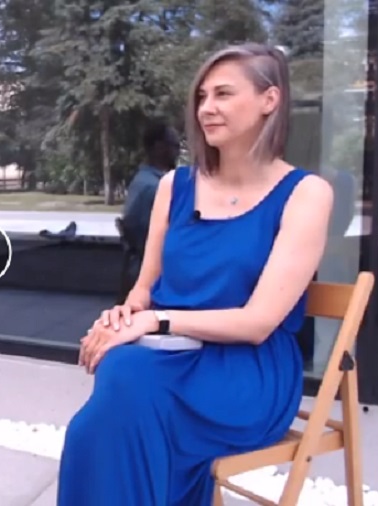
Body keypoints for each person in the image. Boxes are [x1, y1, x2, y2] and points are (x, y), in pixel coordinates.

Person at [57, 42, 334, 505]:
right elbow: (144, 290)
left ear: (270, 100)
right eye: (202, 96)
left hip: (245, 372)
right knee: (112, 400)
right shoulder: (175, 185)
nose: (206, 108)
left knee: (117, 406)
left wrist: (156, 320)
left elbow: (258, 323)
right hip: (165, 356)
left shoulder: (306, 194)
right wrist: (123, 317)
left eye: (223, 94)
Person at [117, 120, 181, 302]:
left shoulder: (142, 180)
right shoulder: (156, 187)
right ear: (159, 147)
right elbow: (156, 241)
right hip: (149, 277)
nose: (177, 152)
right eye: (174, 146)